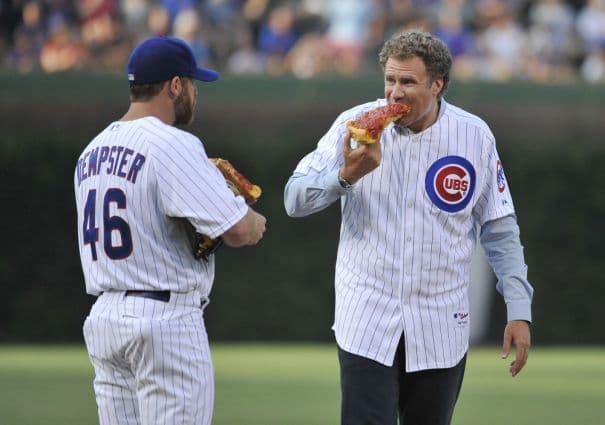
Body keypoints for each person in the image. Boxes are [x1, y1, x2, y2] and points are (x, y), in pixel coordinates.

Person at [284, 29, 533, 425]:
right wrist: (344, 177)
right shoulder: (354, 126)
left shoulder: (473, 136)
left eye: (407, 81)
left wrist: (518, 308)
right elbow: (293, 200)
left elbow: (499, 228)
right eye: (389, 80)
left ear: (438, 84)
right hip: (366, 318)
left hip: (441, 324)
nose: (394, 93)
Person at [74, 36, 266, 425]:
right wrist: (252, 217)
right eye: (193, 84)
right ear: (175, 85)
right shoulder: (172, 143)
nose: (195, 94)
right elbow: (240, 231)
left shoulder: (90, 152)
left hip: (104, 320)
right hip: (163, 321)